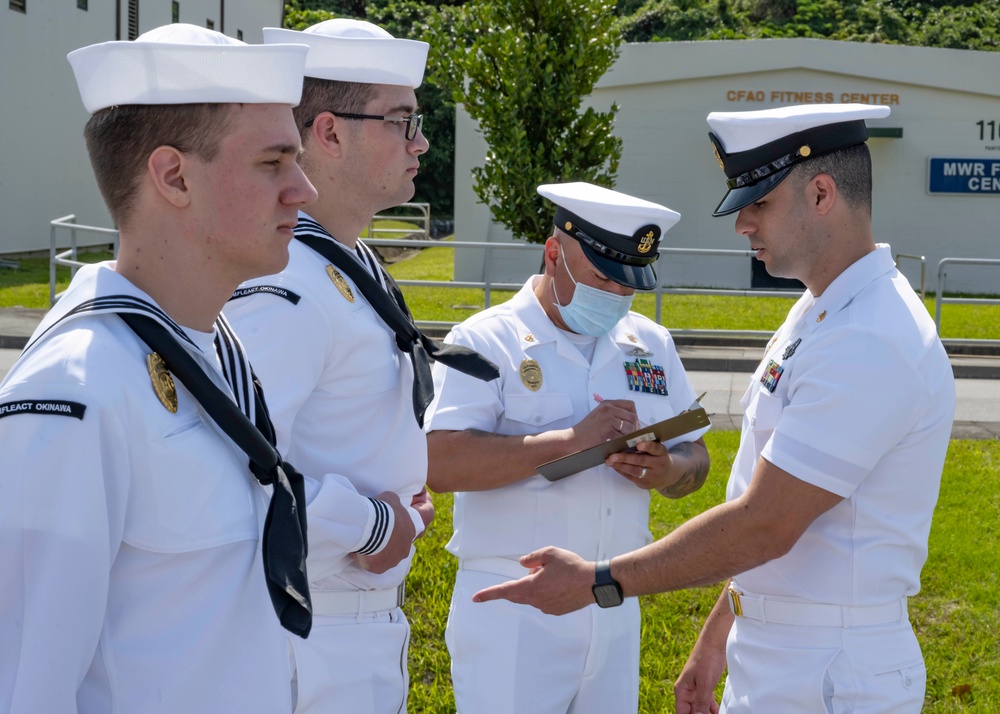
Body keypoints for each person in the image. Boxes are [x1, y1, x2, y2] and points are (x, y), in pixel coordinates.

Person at [473, 105, 957, 713]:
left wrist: (600, 582)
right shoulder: (824, 310)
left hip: (831, 668)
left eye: (758, 204)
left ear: (822, 193)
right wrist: (718, 636)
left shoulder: (870, 336)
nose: (742, 226)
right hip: (789, 649)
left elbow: (766, 523)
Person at [0, 24, 317, 713]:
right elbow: (26, 685)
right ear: (173, 176)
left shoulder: (211, 342)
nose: (304, 189)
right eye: (273, 163)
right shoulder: (76, 392)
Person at [224, 19, 497, 714]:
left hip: (349, 621)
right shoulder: (287, 287)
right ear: (330, 132)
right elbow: (228, 471)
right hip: (307, 628)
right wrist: (373, 523)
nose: (422, 142)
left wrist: (399, 494)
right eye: (402, 121)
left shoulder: (345, 262)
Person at [424, 181, 712, 714]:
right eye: (603, 277)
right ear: (554, 253)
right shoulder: (487, 339)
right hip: (514, 605)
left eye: (630, 285)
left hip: (613, 599)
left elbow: (698, 456)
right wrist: (571, 441)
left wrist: (669, 470)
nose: (618, 297)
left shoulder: (649, 342)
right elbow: (440, 461)